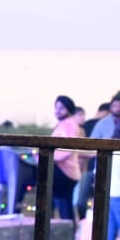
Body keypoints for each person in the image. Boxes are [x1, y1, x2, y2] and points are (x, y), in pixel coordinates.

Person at [50, 94, 84, 222]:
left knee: (64, 206)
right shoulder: (63, 124)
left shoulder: (69, 124)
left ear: (69, 109)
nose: (58, 111)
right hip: (63, 170)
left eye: (62, 108)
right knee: (63, 205)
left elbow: (67, 149)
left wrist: (50, 157)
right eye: (56, 107)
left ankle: (68, 230)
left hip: (65, 171)